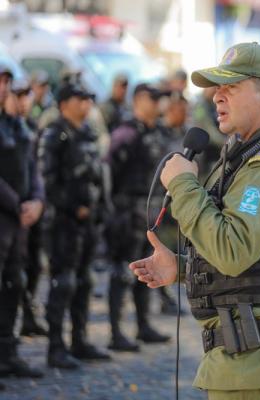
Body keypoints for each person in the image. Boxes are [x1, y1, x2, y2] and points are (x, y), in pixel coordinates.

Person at [130, 42, 260, 400]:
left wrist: (184, 185)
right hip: (254, 362)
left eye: (231, 87)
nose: (218, 97)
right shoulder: (255, 154)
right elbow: (258, 253)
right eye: (217, 88)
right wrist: (186, 267)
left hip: (257, 364)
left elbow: (233, 251)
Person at [38, 82, 111, 369]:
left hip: (88, 221)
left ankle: (79, 340)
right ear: (65, 103)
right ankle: (56, 347)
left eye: (89, 99)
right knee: (63, 282)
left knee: (85, 281)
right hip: (63, 222)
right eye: (80, 99)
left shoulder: (89, 132)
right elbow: (47, 181)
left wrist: (100, 206)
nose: (86, 104)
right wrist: (73, 207)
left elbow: (98, 174)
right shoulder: (55, 135)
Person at [106, 83, 171, 351]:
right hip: (126, 214)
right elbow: (109, 175)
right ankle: (115, 331)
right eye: (153, 99)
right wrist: (113, 210)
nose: (158, 105)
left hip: (150, 215)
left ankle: (143, 325)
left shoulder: (156, 133)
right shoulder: (125, 134)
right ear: (138, 100)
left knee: (148, 269)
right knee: (121, 272)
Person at [0, 66, 45, 380]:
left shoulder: (19, 126)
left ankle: (8, 352)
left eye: (7, 82)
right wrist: (18, 204)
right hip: (6, 216)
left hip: (18, 222)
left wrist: (37, 202)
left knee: (14, 284)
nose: (5, 88)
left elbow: (33, 168)